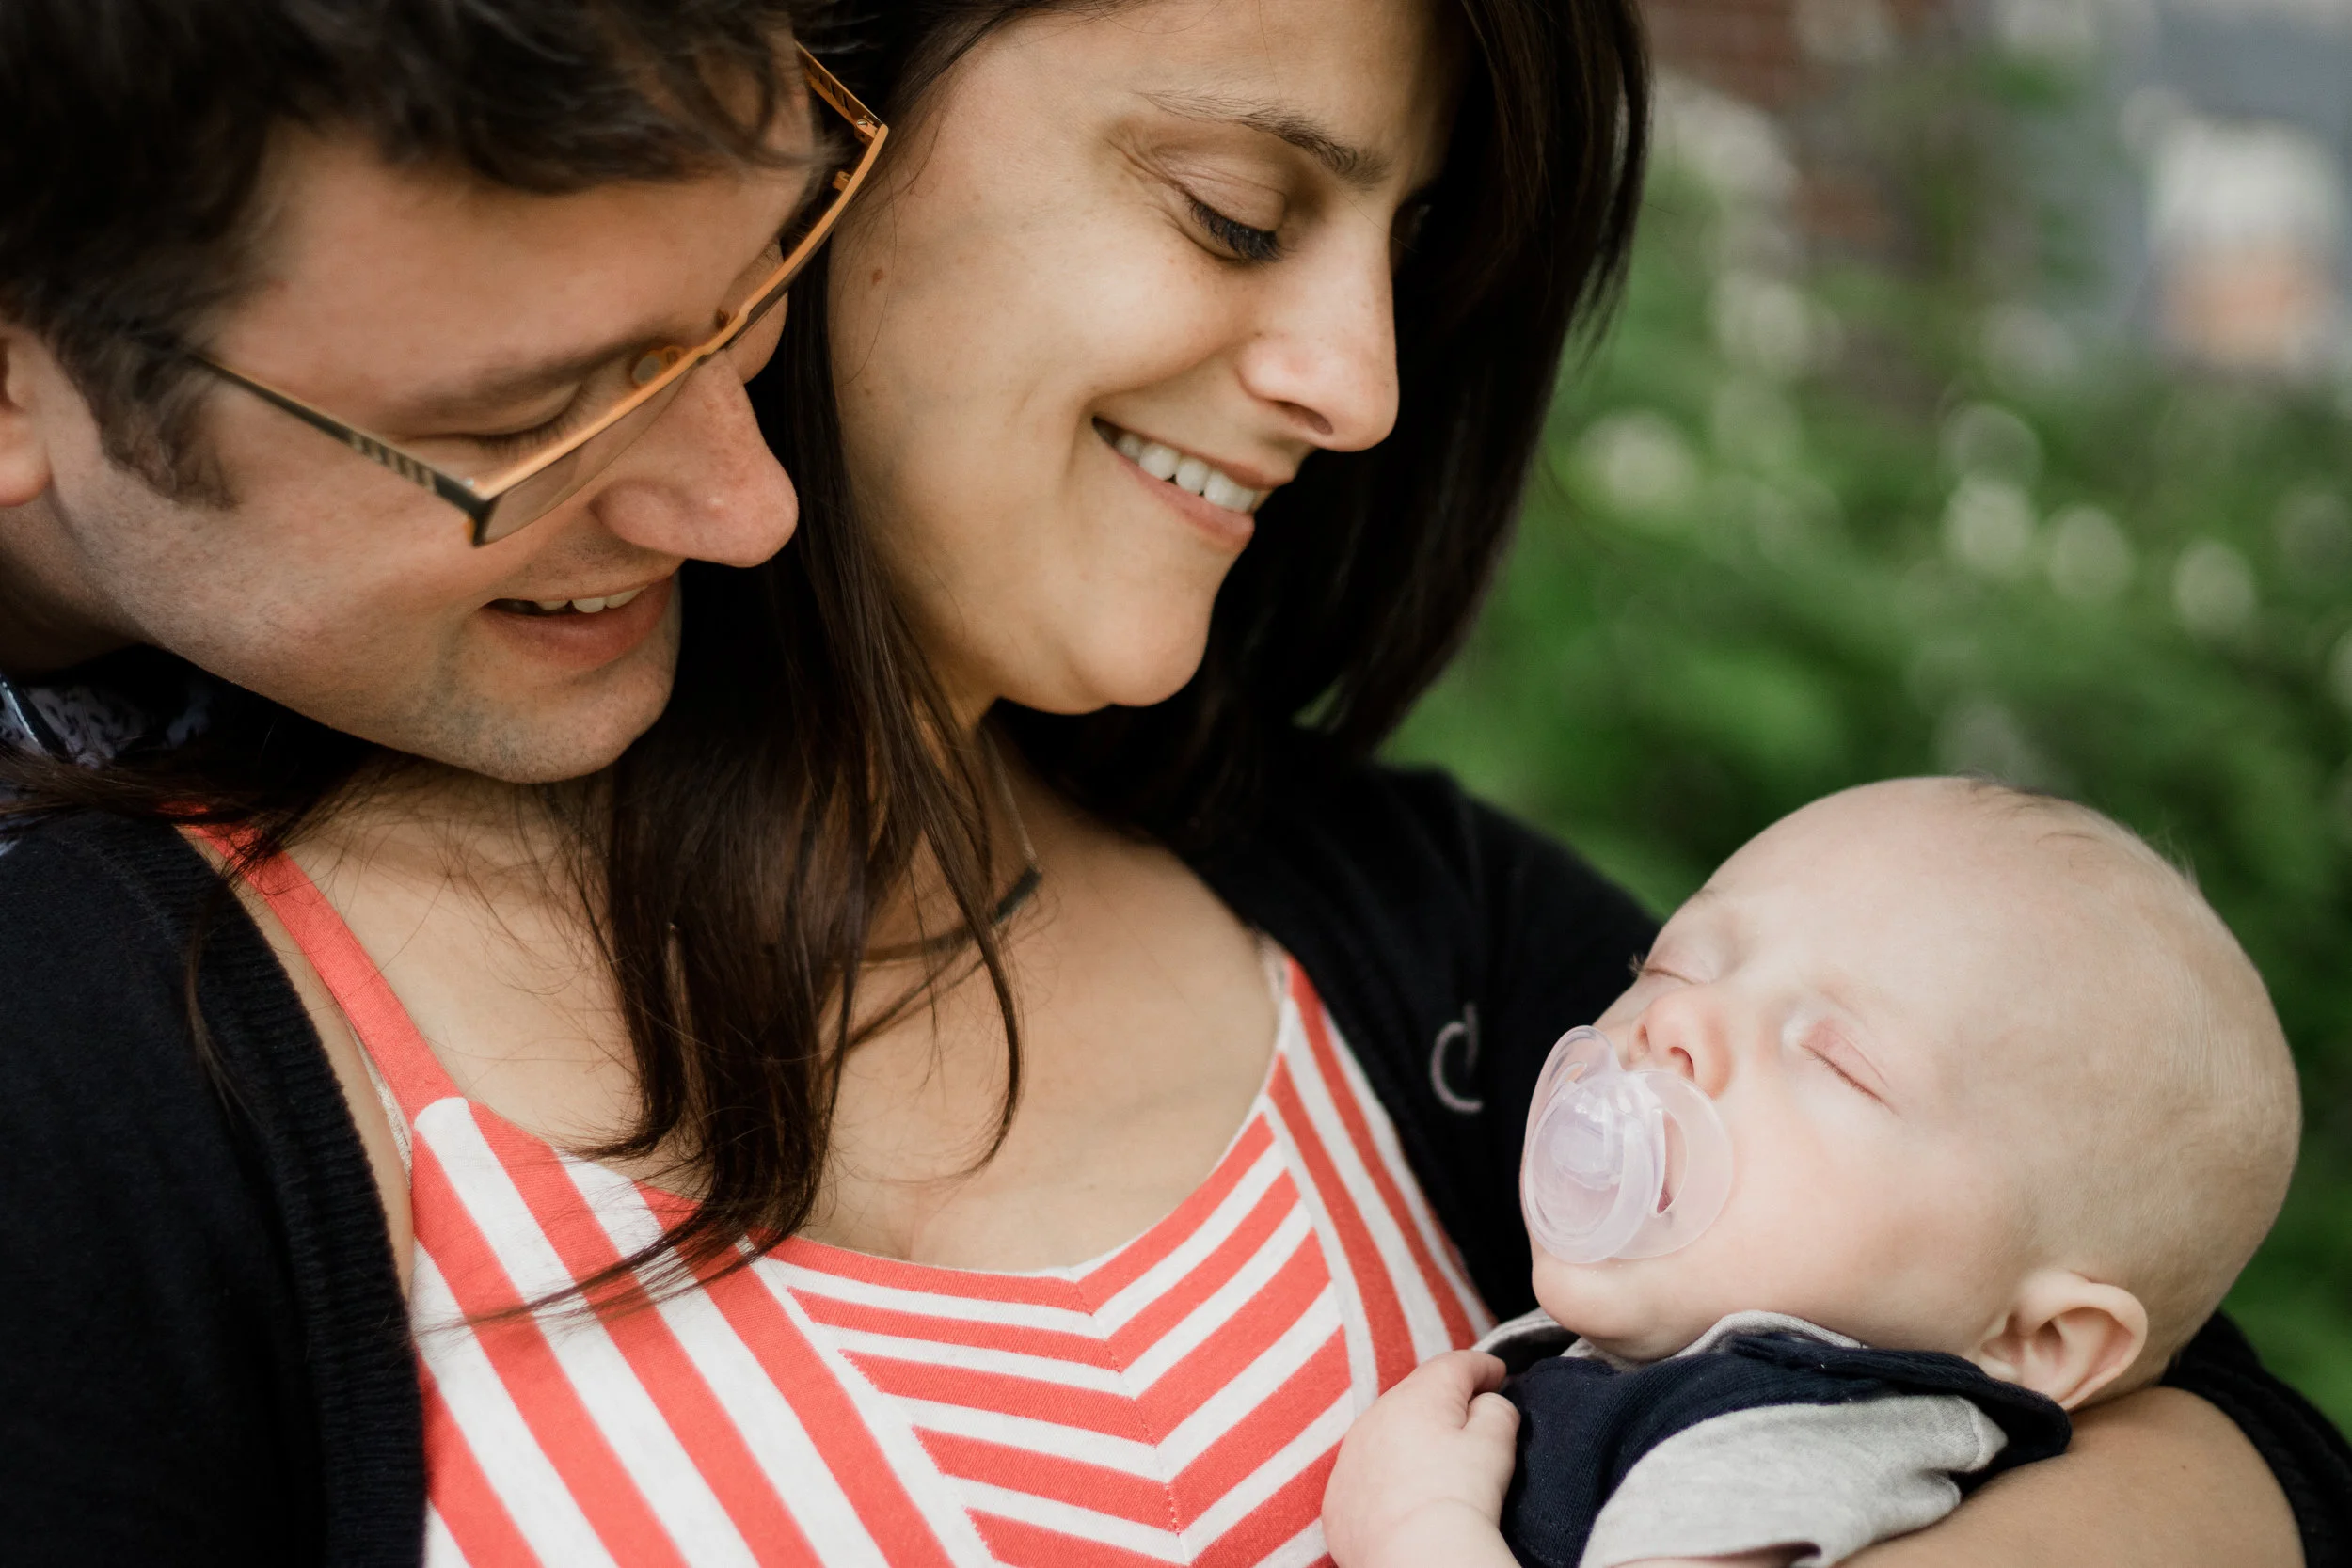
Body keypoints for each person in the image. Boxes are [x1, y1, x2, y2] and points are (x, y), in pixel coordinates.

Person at [1, 5, 2344, 1568]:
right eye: (1234, 208)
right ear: (809, 130)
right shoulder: (123, 1055)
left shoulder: (1410, 941)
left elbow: (2212, 1421)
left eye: (1409, 253)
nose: (1362, 381)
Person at [1319, 779, 2303, 1568]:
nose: (1675, 1023)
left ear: (2038, 1336)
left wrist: (1419, 1530)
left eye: (1835, 1059)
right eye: (1672, 965)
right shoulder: (1677, 1373)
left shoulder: (1784, 1442)